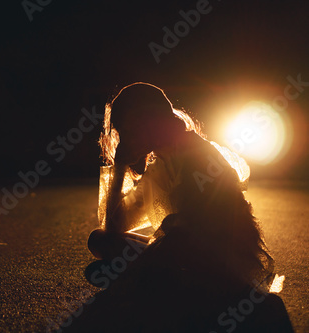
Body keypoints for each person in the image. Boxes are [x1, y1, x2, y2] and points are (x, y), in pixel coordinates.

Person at [88, 82, 274, 292]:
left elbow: (201, 228)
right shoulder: (159, 165)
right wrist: (120, 167)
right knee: (99, 239)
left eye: (129, 130)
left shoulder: (196, 152)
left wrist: (163, 241)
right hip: (183, 248)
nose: (126, 140)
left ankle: (144, 276)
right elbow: (114, 229)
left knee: (173, 238)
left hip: (219, 253)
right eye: (122, 133)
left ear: (148, 123)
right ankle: (143, 274)